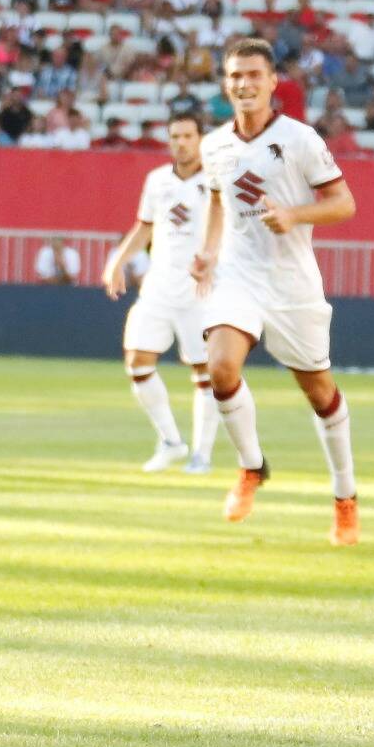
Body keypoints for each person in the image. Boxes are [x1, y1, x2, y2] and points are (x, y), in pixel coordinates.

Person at [191, 38, 360, 545]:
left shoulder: (300, 138)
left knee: (320, 393)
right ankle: (251, 466)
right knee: (221, 367)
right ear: (226, 84)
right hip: (239, 275)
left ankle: (345, 497)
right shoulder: (214, 145)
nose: (243, 84)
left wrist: (295, 214)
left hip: (292, 283)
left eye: (253, 75)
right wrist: (208, 252)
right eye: (235, 76)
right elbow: (217, 202)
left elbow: (344, 203)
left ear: (271, 83)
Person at [101, 112, 217, 475]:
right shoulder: (157, 180)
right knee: (137, 362)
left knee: (205, 372)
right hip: (158, 284)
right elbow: (144, 227)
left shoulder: (216, 180)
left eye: (188, 136)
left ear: (200, 139)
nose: (181, 143)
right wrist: (117, 262)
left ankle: (201, 454)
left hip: (200, 288)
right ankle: (171, 441)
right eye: (175, 136)